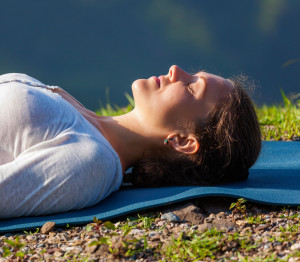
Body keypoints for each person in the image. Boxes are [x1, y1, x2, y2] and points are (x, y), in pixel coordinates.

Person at [0, 65, 261, 218]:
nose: (176, 71)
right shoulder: (86, 119)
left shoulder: (91, 162)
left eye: (192, 88)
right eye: (193, 74)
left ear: (183, 141)